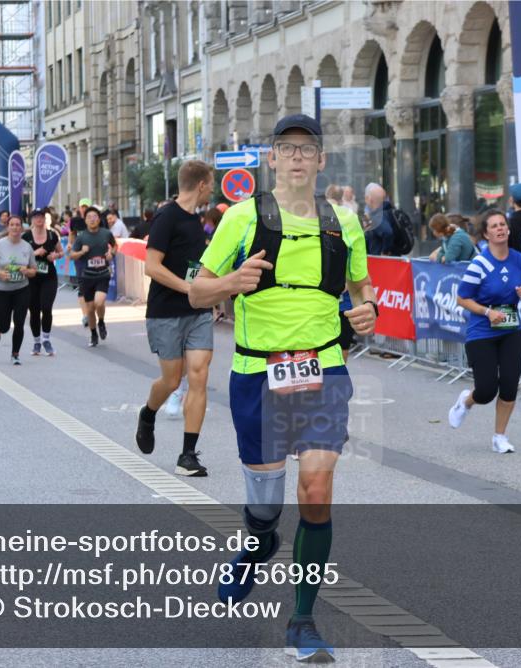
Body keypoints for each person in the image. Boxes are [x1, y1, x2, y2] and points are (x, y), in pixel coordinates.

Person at [189, 114, 377, 661]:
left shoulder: (344, 221)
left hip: (323, 369)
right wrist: (230, 283)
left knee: (316, 494)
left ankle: (302, 620)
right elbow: (199, 292)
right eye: (286, 148)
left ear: (321, 161)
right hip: (258, 373)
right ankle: (256, 543)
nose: (297, 156)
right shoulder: (241, 219)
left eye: (307, 149)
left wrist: (365, 310)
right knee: (267, 506)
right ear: (271, 159)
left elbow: (362, 286)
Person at [136, 159, 216, 477]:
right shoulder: (167, 216)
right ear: (200, 184)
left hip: (198, 313)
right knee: (172, 380)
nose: (212, 188)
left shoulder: (197, 221)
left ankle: (187, 455)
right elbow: (151, 266)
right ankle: (148, 412)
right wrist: (188, 288)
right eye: (210, 183)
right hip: (166, 311)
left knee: (199, 377)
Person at [449, 209, 521, 453]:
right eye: (494, 226)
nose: (500, 229)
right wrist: (488, 312)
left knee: (510, 384)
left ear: (508, 230)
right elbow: (462, 298)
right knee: (487, 390)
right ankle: (465, 402)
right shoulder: (480, 264)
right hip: (482, 332)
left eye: (503, 225)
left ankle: (499, 437)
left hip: (512, 329)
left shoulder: (520, 260)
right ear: (486, 234)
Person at [0, 215, 37, 364]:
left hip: (22, 288)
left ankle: (15, 354)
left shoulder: (27, 247)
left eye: (17, 225)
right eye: (12, 225)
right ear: (8, 227)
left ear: (21, 227)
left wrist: (27, 271)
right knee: (5, 325)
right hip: (1, 290)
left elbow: (34, 269)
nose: (14, 227)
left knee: (19, 322)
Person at [69, 205, 115, 347]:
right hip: (87, 276)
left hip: (102, 273)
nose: (92, 219)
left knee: (99, 302)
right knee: (89, 309)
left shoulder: (106, 233)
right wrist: (81, 252)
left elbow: (114, 246)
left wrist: (111, 253)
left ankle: (101, 322)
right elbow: (72, 256)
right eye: (89, 217)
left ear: (99, 219)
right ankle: (94, 333)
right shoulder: (81, 237)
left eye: (95, 217)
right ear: (86, 220)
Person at [23, 209, 62, 356]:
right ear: (32, 220)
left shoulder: (52, 235)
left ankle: (46, 339)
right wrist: (34, 254)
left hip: (49, 277)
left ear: (45, 219)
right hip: (31, 278)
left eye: (41, 217)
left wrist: (55, 255)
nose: (39, 219)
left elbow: (61, 252)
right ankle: (36, 341)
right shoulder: (26, 237)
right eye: (36, 217)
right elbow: (20, 255)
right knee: (34, 310)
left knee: (46, 307)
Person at [363, 182, 395, 256]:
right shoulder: (389, 211)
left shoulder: (377, 217)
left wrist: (385, 252)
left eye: (366, 197)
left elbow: (388, 232)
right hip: (394, 260)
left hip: (381, 262)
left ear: (369, 199)